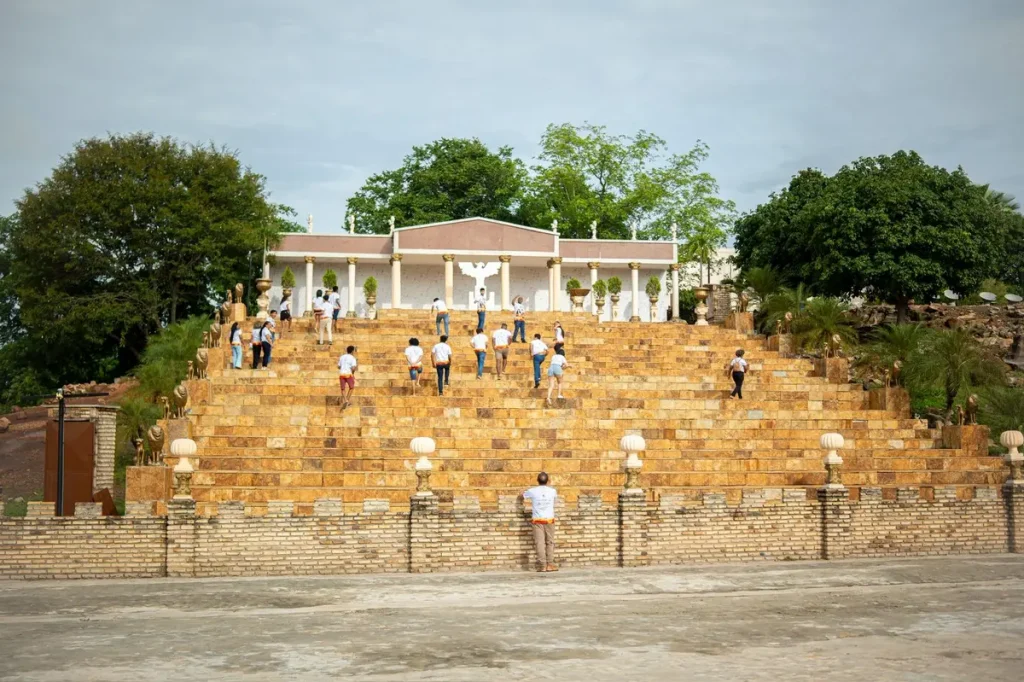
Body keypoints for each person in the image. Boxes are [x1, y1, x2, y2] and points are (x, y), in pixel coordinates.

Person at [523, 472, 557, 573]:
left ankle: (542, 566)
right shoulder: (553, 491)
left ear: (537, 481)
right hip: (549, 520)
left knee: (540, 543)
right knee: (549, 542)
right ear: (548, 481)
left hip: (537, 521)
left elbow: (523, 495)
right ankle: (550, 564)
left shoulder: (532, 491)